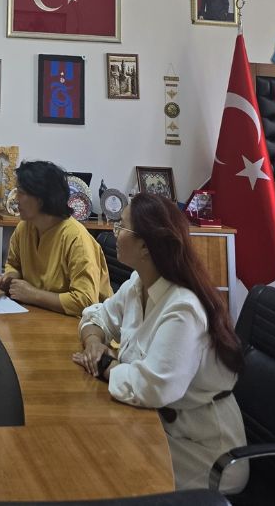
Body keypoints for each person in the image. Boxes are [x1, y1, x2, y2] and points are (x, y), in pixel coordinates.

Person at [72, 193, 248, 492]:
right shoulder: (138, 284)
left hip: (204, 451)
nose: (114, 232)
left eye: (121, 226)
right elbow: (98, 315)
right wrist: (93, 341)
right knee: (91, 445)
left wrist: (103, 363)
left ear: (145, 245)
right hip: (156, 425)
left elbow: (154, 387)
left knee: (100, 463)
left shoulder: (183, 307)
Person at [0, 161, 112, 315]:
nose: (15, 198)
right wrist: (11, 277)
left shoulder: (76, 239)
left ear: (41, 199)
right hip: (39, 315)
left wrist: (33, 295)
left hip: (83, 324)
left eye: (20, 192)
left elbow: (86, 301)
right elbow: (13, 264)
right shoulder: (24, 227)